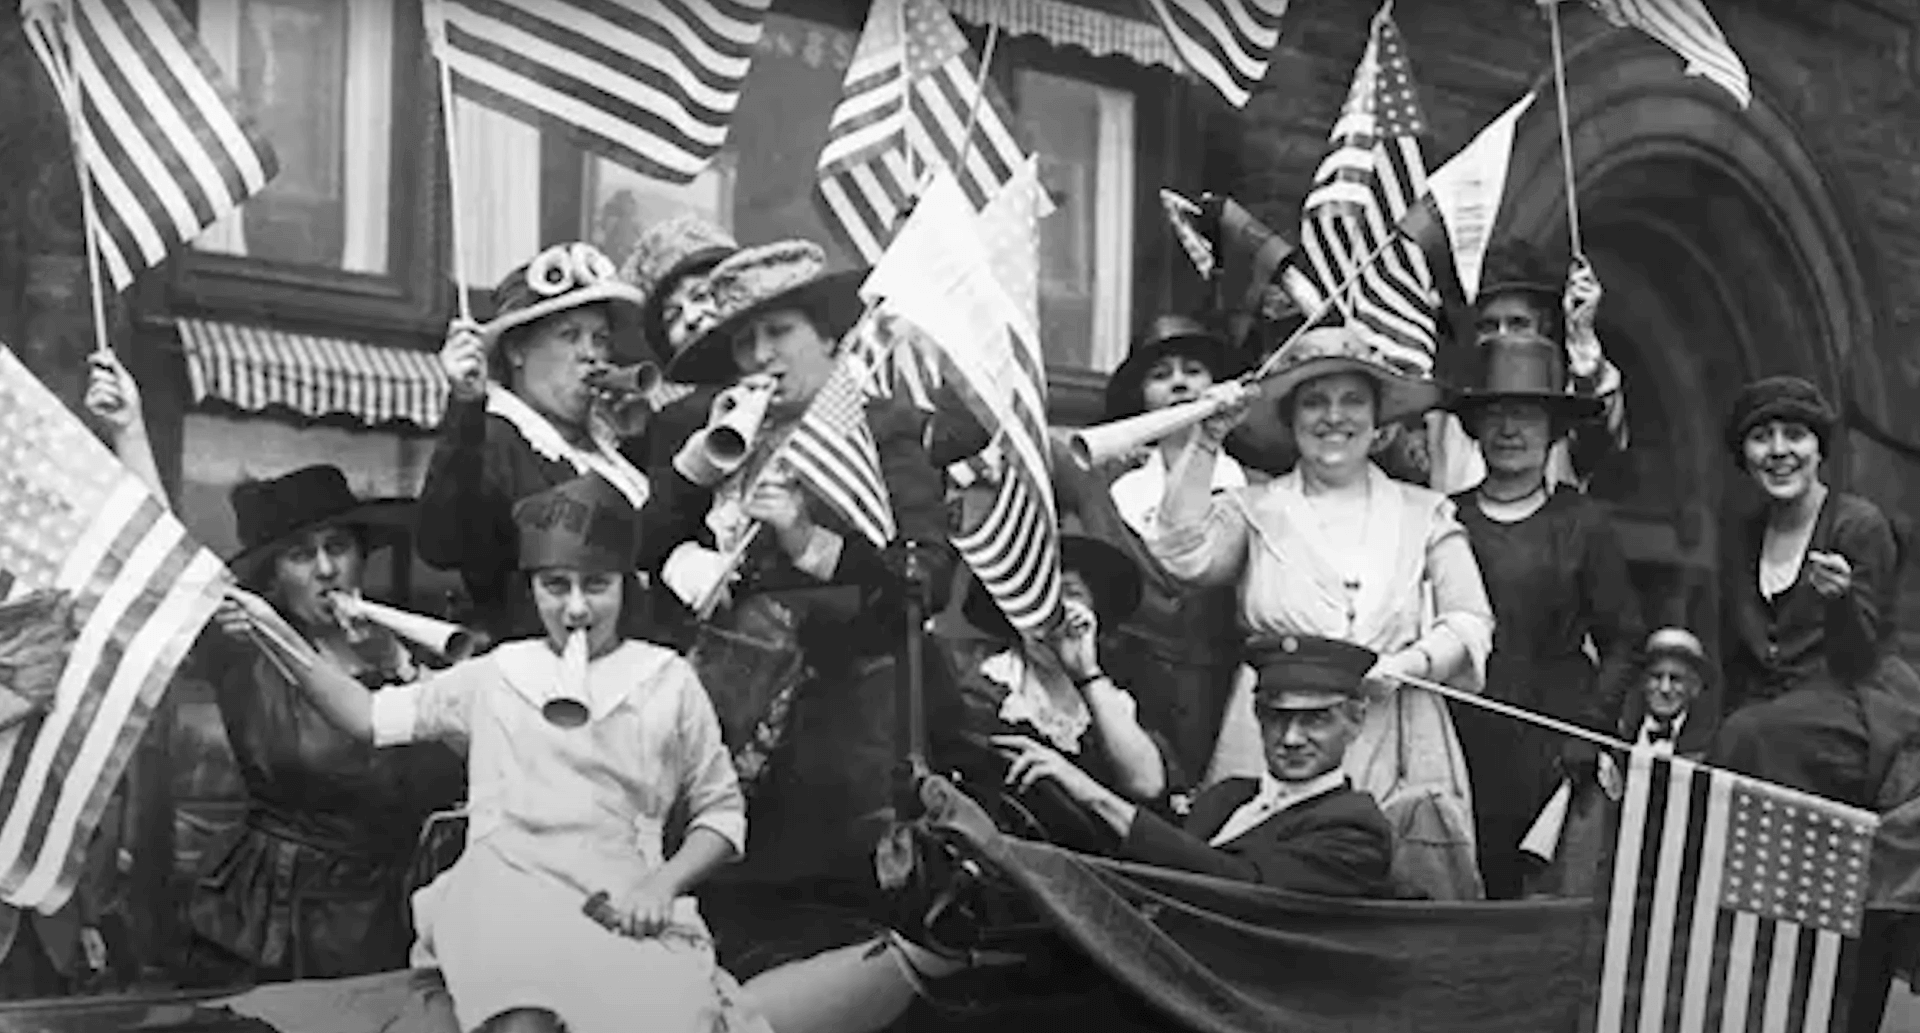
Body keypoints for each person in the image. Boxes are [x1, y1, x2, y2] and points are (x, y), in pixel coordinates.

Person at [226, 472, 1005, 1033]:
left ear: (623, 585)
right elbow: (365, 715)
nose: (572, 607)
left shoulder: (666, 681)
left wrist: (664, 881)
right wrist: (272, 630)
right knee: (521, 1015)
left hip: (623, 891)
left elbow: (722, 814)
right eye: (554, 585)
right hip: (503, 892)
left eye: (593, 585)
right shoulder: (493, 673)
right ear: (533, 587)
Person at [84, 355, 464, 984]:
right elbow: (167, 569)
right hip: (269, 919)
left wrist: (396, 666)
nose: (324, 570)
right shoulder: (246, 647)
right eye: (300, 555)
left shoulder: (411, 650)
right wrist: (129, 430)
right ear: (273, 579)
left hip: (391, 913)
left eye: (337, 547)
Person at [638, 237, 949, 889]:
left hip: (842, 730)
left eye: (778, 332)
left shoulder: (883, 428)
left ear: (829, 336)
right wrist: (687, 537)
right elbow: (641, 543)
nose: (759, 357)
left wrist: (810, 542)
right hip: (721, 718)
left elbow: (922, 577)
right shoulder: (718, 430)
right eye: (743, 343)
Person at [1149, 322, 1494, 901]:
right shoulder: (1254, 509)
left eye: (1352, 400)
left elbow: (1470, 621)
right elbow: (1184, 555)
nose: (1334, 418)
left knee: (1406, 890)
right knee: (1264, 890)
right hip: (1280, 723)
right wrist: (1205, 444)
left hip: (1395, 725)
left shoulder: (1426, 512)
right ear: (1289, 419)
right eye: (1315, 402)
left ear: (1380, 419)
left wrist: (1408, 665)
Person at [1709, 376, 1920, 1033]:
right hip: (1779, 713)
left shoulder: (1857, 524)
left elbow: (1859, 655)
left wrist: (1839, 603)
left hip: (1858, 700)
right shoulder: (1742, 534)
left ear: (1818, 448)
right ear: (1743, 454)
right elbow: (1737, 658)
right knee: (1724, 754)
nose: (1779, 450)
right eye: (1761, 436)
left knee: (1752, 738)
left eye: (1794, 435)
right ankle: (1759, 965)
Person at [1444, 331, 1645, 899]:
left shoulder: (1583, 523)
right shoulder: (1445, 519)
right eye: (1497, 413)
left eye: (1527, 414)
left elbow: (1625, 641)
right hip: (1463, 733)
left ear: (1554, 428)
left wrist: (1591, 728)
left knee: (1541, 896)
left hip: (1553, 738)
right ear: (1476, 426)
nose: (1510, 430)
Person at [1010, 633, 1394, 897]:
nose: (1291, 738)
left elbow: (1239, 886)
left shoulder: (1355, 828)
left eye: (1315, 720)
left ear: (1356, 721)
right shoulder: (1228, 796)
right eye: (1276, 717)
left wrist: (1092, 794)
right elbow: (1158, 851)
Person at [416, 241, 656, 645]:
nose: (591, 355)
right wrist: (465, 405)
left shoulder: (610, 448)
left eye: (600, 338)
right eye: (569, 336)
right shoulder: (496, 437)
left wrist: (641, 441)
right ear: (516, 350)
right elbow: (442, 542)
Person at [1049, 316, 1247, 786]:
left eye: (1193, 370)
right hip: (1126, 688)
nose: (1179, 382)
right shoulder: (1104, 485)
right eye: (1160, 375)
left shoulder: (1254, 493)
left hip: (1221, 691)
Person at [932, 536, 1176, 850]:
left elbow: (1147, 786)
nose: (1051, 615)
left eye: (1070, 595)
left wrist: (1085, 671)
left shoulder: (1128, 689)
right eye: (1035, 596)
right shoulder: (981, 693)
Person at [1427, 241, 1629, 495]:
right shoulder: (1446, 409)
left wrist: (1583, 341)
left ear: (1542, 328)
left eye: (1518, 323)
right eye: (1488, 326)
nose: (1502, 337)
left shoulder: (1565, 400)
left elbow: (1599, 436)